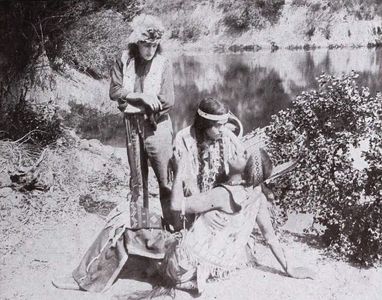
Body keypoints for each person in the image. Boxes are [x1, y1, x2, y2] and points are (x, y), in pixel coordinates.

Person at [162, 149, 315, 295]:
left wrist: (179, 170)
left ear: (244, 173)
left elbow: (176, 205)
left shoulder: (221, 194)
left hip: (186, 267)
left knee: (155, 236)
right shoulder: (257, 195)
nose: (236, 151)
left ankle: (184, 281)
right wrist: (289, 268)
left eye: (243, 155)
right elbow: (270, 237)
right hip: (222, 265)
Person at [109, 14, 174, 223]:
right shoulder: (123, 60)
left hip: (157, 127)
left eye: (154, 46)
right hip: (131, 126)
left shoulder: (164, 63)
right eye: (145, 45)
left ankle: (174, 224)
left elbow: (167, 101)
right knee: (137, 179)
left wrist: (133, 102)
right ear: (136, 43)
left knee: (165, 179)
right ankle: (140, 224)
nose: (150, 50)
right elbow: (114, 90)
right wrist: (141, 96)